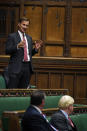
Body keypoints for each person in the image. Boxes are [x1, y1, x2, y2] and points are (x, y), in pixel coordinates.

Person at [5, 17, 43, 88]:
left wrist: (35, 49)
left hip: (27, 68)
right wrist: (17, 46)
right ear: (19, 24)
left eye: (27, 25)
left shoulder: (29, 38)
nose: (25, 27)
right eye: (23, 25)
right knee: (12, 91)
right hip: (16, 68)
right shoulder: (12, 36)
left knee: (23, 92)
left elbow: (29, 54)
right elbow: (7, 50)